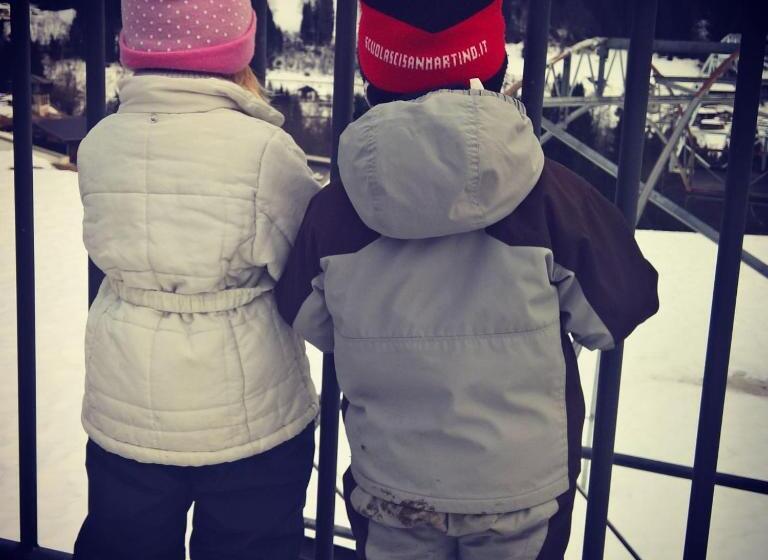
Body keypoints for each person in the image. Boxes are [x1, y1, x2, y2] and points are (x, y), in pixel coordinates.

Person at [275, 1, 659, 558]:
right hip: (521, 489)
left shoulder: (335, 211)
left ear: (371, 75)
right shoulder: (552, 198)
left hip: (392, 483)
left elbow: (309, 316)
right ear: (494, 67)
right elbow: (619, 309)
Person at [73, 1, 320, 559]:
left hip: (127, 412)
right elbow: (304, 257)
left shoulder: (101, 144)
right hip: (250, 419)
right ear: (237, 48)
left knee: (126, 545)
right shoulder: (264, 151)